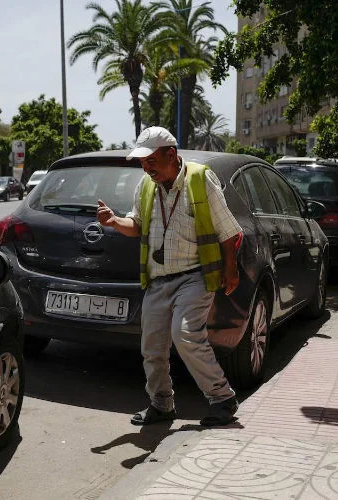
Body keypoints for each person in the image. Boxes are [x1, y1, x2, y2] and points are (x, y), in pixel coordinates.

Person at [96, 126, 242, 427]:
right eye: (141, 162)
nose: (145, 167)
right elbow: (136, 225)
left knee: (185, 333)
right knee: (151, 346)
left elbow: (229, 230)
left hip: (194, 276)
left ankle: (222, 398)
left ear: (171, 154)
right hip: (159, 278)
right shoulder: (146, 186)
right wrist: (114, 222)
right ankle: (161, 404)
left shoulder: (200, 179)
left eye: (150, 160)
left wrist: (231, 269)